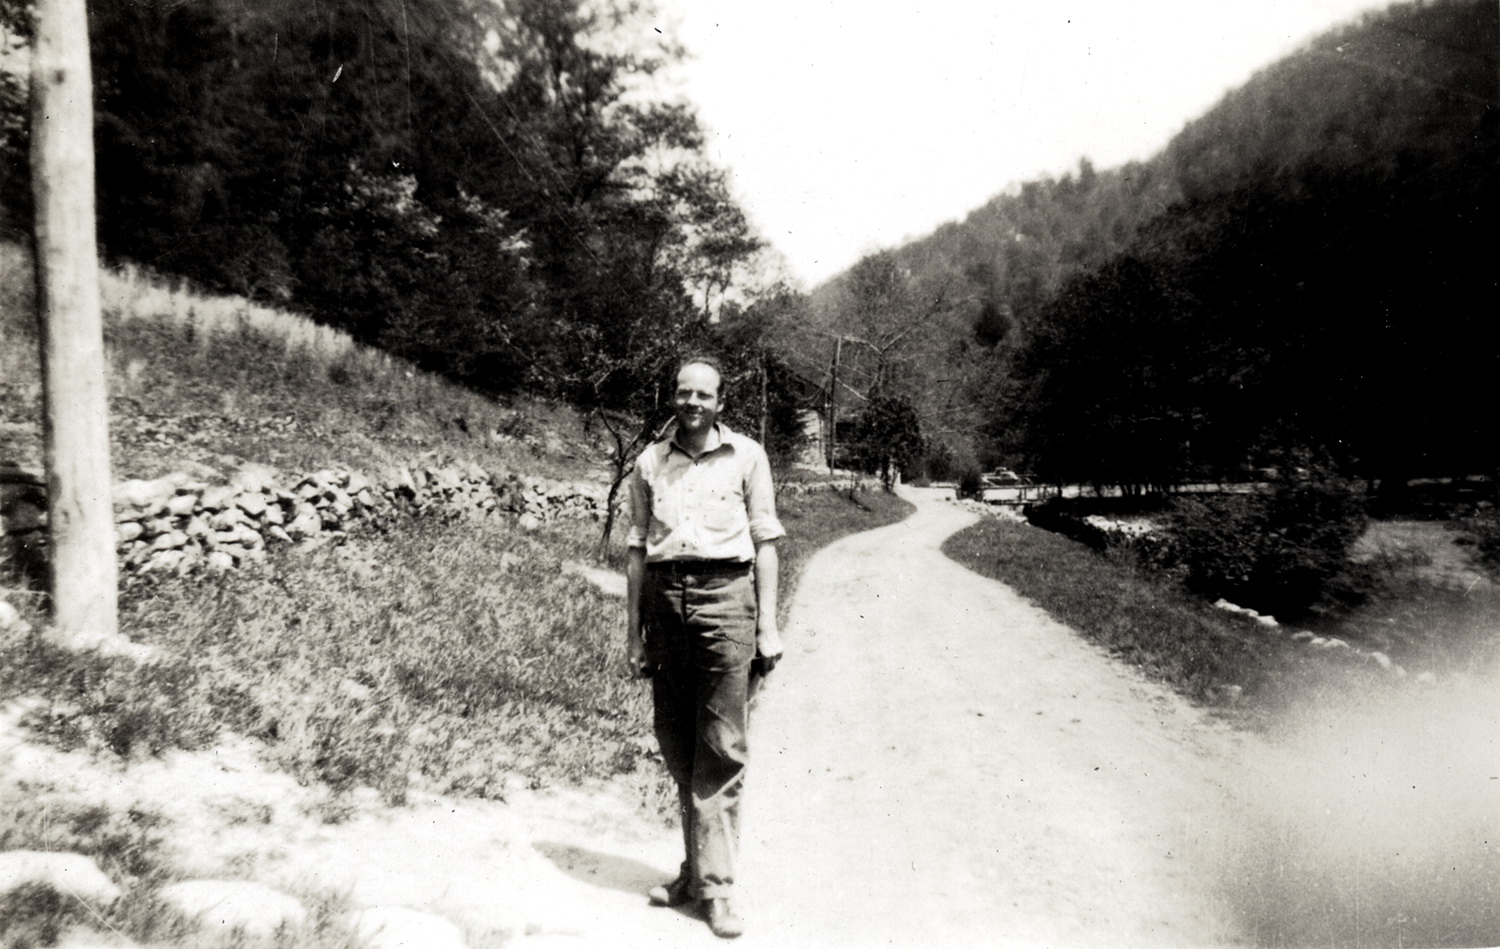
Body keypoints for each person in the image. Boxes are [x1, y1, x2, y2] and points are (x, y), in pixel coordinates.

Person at [624, 356, 785, 939]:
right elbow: (637, 549)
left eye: (703, 395)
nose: (692, 402)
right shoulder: (650, 461)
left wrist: (768, 625)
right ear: (673, 397)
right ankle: (695, 874)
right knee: (678, 746)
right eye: (683, 392)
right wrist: (633, 632)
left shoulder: (747, 455)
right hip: (666, 603)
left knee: (720, 747)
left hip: (726, 601)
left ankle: (715, 889)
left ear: (720, 402)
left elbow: (765, 542)